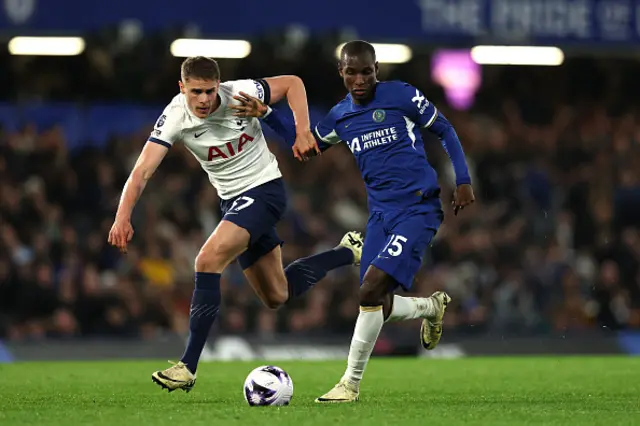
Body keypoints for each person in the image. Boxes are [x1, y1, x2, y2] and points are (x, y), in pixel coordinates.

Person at [230, 40, 475, 402]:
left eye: (367, 72)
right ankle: (431, 307)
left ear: (377, 70)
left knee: (368, 291)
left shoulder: (402, 96)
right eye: (351, 72)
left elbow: (446, 130)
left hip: (418, 208)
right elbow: (305, 146)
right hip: (379, 215)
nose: (359, 79)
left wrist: (463, 180)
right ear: (340, 72)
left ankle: (350, 384)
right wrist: (267, 113)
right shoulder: (340, 116)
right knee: (377, 302)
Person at [107, 56, 363, 393]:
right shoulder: (174, 115)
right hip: (233, 202)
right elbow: (141, 171)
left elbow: (293, 83)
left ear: (219, 85)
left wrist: (302, 130)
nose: (203, 99)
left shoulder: (240, 94)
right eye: (195, 91)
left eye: (209, 91)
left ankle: (188, 366)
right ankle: (346, 252)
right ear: (182, 88)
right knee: (277, 294)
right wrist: (122, 215)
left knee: (206, 260)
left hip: (265, 191)